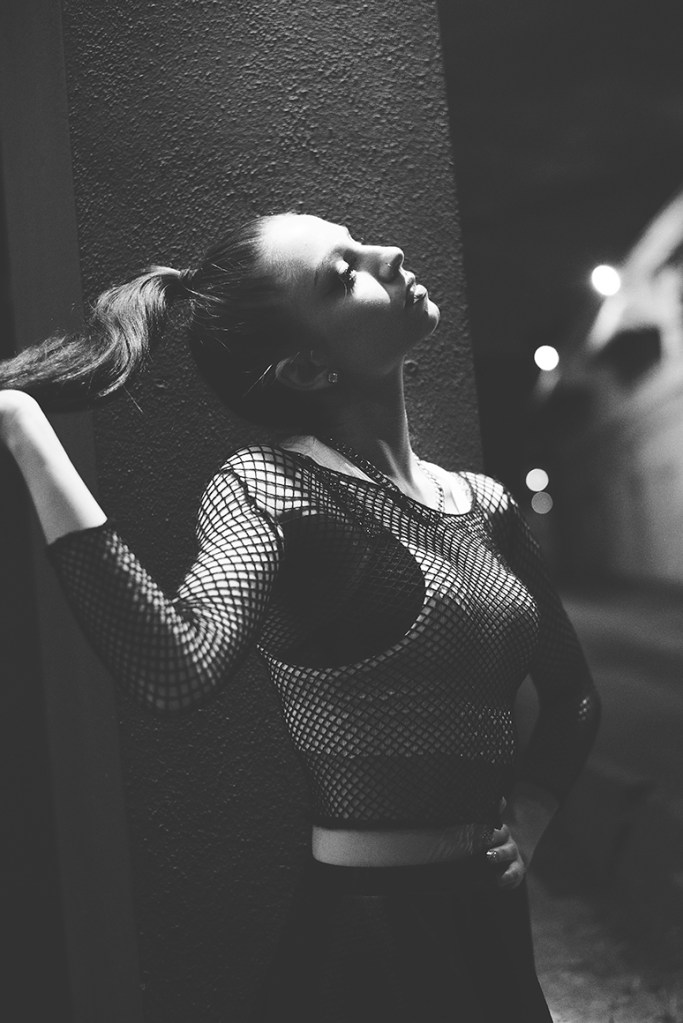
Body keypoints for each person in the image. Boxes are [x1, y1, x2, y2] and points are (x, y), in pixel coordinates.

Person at [0, 212, 600, 1021]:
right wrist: (25, 429)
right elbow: (173, 666)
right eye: (342, 273)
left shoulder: (484, 503)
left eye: (359, 244)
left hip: (491, 924)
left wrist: (526, 816)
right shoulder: (273, 486)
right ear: (309, 368)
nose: (389, 253)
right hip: (369, 944)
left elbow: (572, 696)